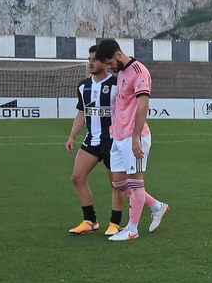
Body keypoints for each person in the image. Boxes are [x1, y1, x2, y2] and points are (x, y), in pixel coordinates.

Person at [95, 39, 169, 242]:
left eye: (110, 63)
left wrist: (136, 136)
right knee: (119, 183)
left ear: (118, 55)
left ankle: (132, 229)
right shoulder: (121, 72)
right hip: (119, 135)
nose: (109, 68)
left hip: (134, 136)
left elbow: (143, 106)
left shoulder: (139, 71)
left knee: (136, 183)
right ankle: (156, 206)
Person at [65, 47, 124, 236]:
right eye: (89, 59)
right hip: (92, 140)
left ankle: (115, 223)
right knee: (77, 177)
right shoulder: (84, 86)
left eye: (95, 59)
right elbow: (82, 113)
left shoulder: (117, 84)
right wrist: (72, 136)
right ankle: (90, 221)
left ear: (105, 62)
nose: (90, 63)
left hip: (113, 142)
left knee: (116, 184)